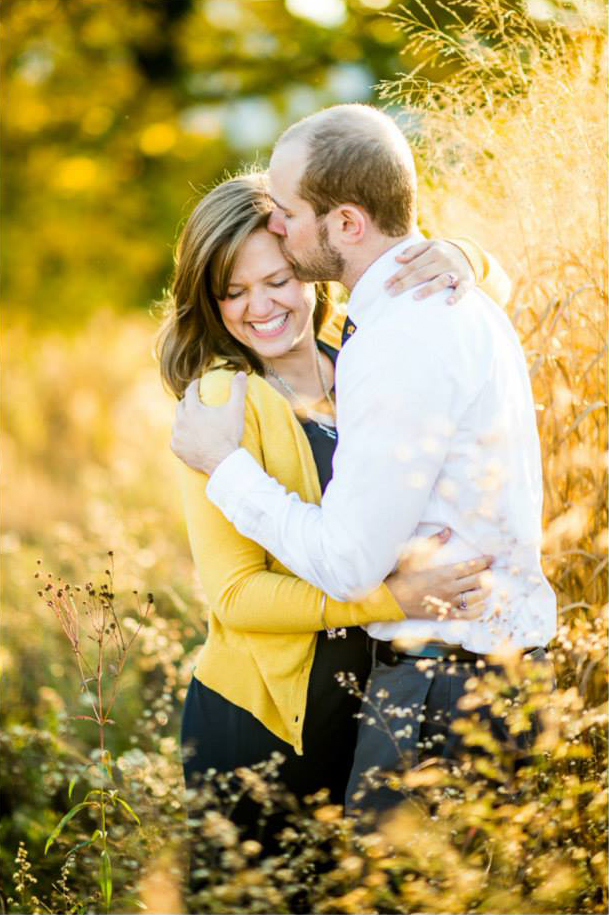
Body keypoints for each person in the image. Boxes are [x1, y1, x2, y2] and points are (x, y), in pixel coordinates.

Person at [170, 104, 557, 818]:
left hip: (376, 694)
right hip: (268, 715)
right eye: (232, 290)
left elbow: (446, 310)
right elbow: (233, 597)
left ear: (314, 261)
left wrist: (462, 255)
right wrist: (392, 600)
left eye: (277, 276)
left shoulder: (361, 353)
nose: (260, 305)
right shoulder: (220, 402)